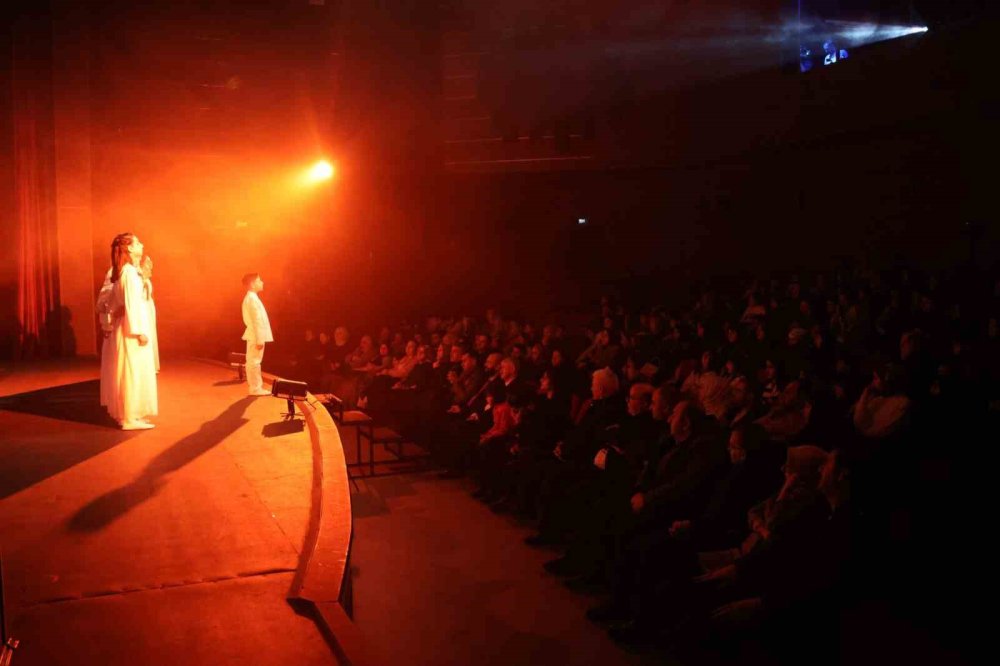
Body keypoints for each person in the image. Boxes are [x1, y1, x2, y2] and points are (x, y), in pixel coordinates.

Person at [102, 233, 158, 430]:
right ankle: (127, 417)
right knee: (130, 371)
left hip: (127, 327)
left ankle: (131, 414)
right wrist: (139, 331)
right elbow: (131, 304)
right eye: (137, 242)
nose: (142, 244)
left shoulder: (129, 272)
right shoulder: (127, 272)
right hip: (129, 330)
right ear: (130, 248)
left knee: (132, 370)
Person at [241, 273, 273, 396]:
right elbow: (256, 320)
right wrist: (260, 338)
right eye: (259, 280)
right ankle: (255, 388)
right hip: (255, 335)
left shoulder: (251, 298)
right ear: (253, 284)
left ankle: (255, 387)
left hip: (254, 335)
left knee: (252, 361)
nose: (262, 282)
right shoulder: (252, 299)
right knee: (254, 362)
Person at [140, 255, 160, 373]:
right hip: (143, 306)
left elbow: (149, 296)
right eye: (146, 266)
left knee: (150, 332)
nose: (148, 269)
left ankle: (151, 363)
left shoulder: (147, 281)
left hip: (148, 307)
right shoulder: (139, 280)